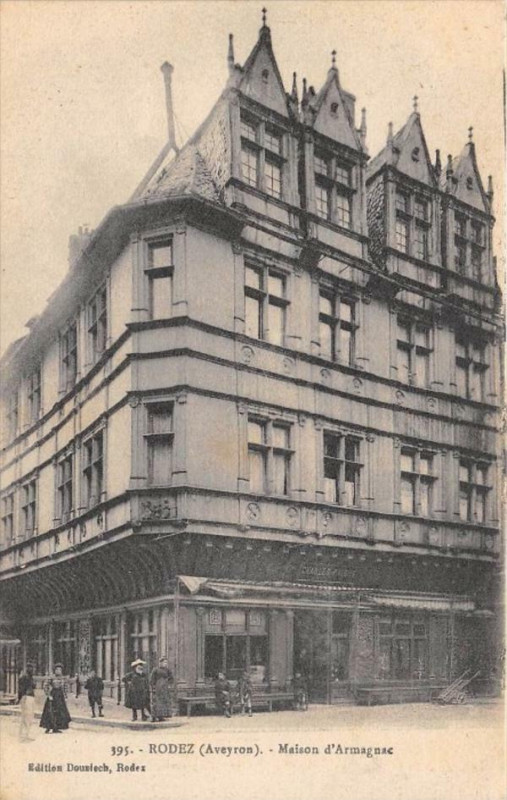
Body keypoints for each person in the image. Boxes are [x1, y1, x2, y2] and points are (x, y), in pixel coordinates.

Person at [39, 664, 71, 733]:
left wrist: (65, 696)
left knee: (60, 712)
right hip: (53, 695)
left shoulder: (63, 679)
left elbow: (65, 688)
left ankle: (56, 727)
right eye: (57, 670)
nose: (58, 671)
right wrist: (48, 695)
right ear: (55, 670)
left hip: (60, 696)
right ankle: (48, 727)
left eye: (60, 670)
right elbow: (45, 686)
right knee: (50, 712)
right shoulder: (52, 677)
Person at [149, 657, 173, 722]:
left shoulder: (167, 670)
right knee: (156, 702)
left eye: (166, 662)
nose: (165, 664)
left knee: (163, 702)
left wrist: (169, 683)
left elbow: (171, 678)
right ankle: (154, 716)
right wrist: (153, 687)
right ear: (160, 662)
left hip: (165, 688)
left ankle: (161, 716)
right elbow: (151, 679)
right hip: (158, 687)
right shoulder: (155, 669)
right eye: (164, 662)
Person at [18, 662, 36, 742]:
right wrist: (22, 698)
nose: (32, 669)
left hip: (31, 697)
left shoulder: (30, 677)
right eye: (30, 667)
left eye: (32, 667)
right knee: (26, 717)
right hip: (26, 697)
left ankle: (26, 735)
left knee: (29, 717)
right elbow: (21, 689)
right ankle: (23, 736)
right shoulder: (24, 677)